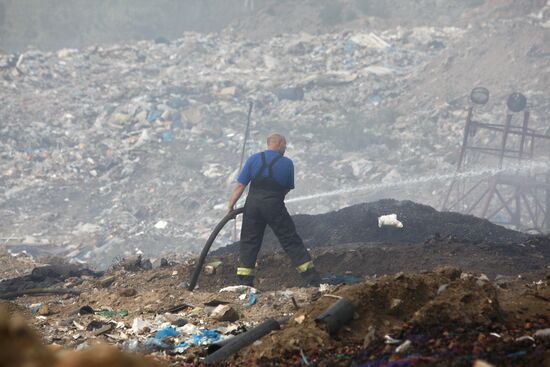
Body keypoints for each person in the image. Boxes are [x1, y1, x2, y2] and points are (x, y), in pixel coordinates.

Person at [228, 133, 321, 287]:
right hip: (274, 205)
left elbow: (240, 186)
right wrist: (273, 200)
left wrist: (231, 206)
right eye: (284, 145)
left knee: (249, 242)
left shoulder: (253, 159)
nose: (285, 148)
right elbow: (286, 189)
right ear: (279, 143)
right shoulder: (287, 164)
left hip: (252, 206)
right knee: (290, 240)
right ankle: (312, 280)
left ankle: (244, 284)